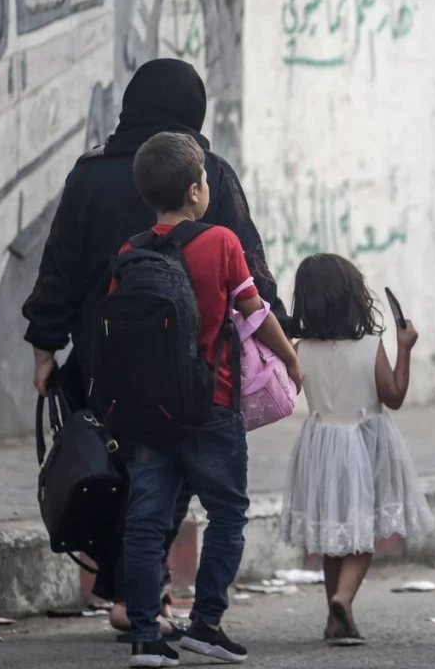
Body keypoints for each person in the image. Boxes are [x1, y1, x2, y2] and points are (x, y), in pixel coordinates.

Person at [22, 58, 287, 636]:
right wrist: (282, 336)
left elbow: (59, 265)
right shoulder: (205, 172)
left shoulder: (89, 174)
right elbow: (249, 267)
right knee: (173, 475)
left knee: (119, 465)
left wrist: (45, 346)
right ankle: (142, 594)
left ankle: (132, 592)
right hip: (190, 366)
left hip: (104, 360)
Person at [116, 132, 302, 668]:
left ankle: (146, 636)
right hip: (213, 404)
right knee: (227, 513)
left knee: (147, 521)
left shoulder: (131, 251)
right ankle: (206, 623)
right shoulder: (222, 242)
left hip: (150, 411)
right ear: (196, 191)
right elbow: (254, 311)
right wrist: (291, 359)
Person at [277, 254, 434, 647]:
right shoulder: (369, 346)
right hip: (364, 446)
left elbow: (287, 391)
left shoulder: (300, 348)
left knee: (334, 534)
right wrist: (405, 347)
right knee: (363, 533)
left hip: (319, 446)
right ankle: (343, 599)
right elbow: (394, 396)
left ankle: (335, 621)